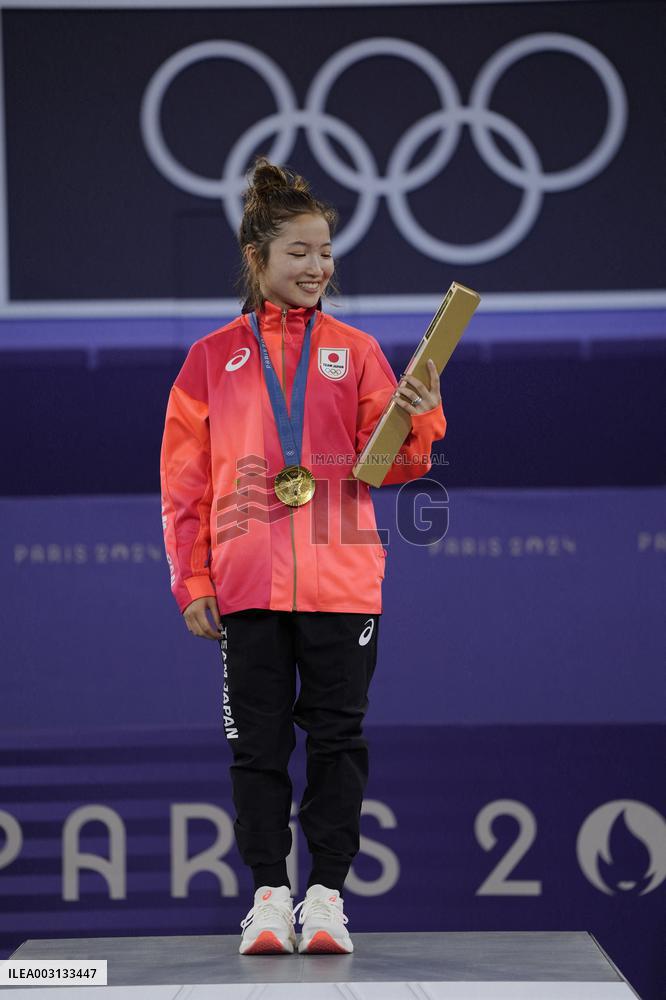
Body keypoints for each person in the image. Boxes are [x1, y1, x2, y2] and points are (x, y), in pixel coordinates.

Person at [159, 155, 447, 955]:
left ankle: (325, 898)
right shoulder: (210, 359)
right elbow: (182, 485)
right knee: (255, 748)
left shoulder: (356, 351)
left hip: (342, 578)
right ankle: (266, 897)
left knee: (336, 741)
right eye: (299, 253)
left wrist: (418, 418)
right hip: (246, 583)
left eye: (326, 253)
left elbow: (389, 465)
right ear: (258, 260)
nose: (318, 267)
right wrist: (192, 579)